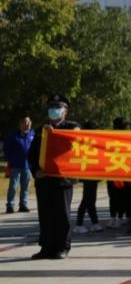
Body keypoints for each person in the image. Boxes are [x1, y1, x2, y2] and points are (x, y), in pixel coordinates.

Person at [26, 96, 79, 259]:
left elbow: (77, 142)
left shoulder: (72, 127)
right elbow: (32, 154)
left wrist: (55, 133)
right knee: (45, 215)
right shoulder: (41, 130)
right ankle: (46, 247)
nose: (53, 111)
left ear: (65, 111)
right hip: (44, 179)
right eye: (51, 108)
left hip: (63, 180)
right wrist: (35, 171)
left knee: (62, 214)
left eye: (57, 108)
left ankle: (63, 246)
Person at [4, 115, 34, 213]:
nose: (28, 124)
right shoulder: (13, 135)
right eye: (25, 122)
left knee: (25, 187)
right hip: (15, 165)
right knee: (13, 186)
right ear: (20, 124)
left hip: (27, 165)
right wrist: (10, 160)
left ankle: (23, 205)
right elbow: (6, 149)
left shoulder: (32, 134)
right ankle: (10, 205)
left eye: (29, 122)